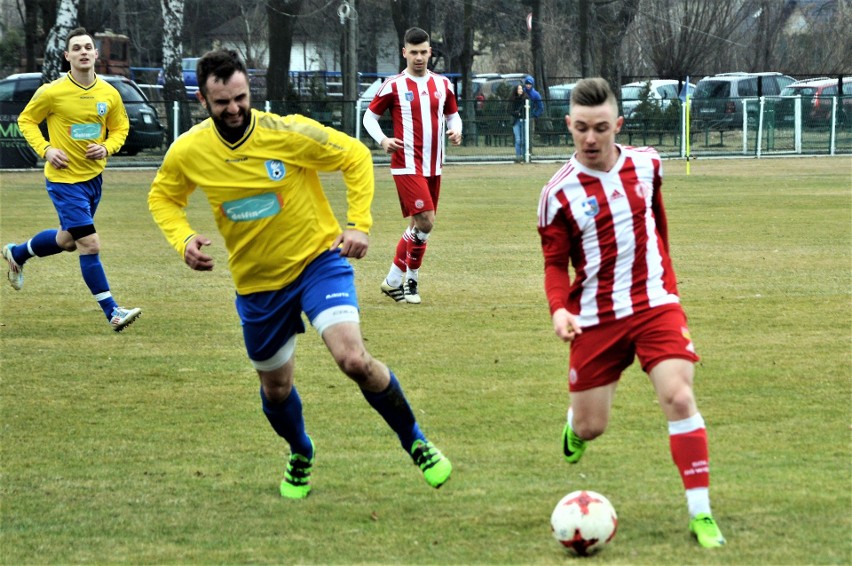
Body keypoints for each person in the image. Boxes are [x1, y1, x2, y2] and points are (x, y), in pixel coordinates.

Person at [148, 49, 452, 499]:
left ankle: (415, 441)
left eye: (240, 97)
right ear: (202, 99)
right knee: (276, 388)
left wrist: (358, 224)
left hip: (317, 263)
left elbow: (353, 155)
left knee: (352, 359)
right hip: (257, 285)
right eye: (221, 103)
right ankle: (300, 450)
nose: (233, 109)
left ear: (250, 88)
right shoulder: (190, 150)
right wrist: (183, 239)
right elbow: (163, 197)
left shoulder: (287, 132)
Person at [536, 78, 726, 548]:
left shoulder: (648, 164)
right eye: (581, 128)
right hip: (595, 316)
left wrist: (669, 289)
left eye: (601, 127)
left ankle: (700, 514)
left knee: (680, 398)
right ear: (569, 125)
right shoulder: (556, 195)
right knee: (590, 426)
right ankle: (575, 428)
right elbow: (555, 265)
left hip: (655, 304)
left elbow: (657, 224)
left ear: (617, 124)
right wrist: (559, 310)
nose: (591, 138)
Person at [5, 27, 141, 332]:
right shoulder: (52, 92)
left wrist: (106, 146)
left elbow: (120, 129)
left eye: (88, 47)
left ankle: (17, 253)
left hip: (93, 180)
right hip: (65, 183)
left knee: (67, 241)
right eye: (76, 48)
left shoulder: (109, 94)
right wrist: (46, 149)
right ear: (67, 56)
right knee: (89, 244)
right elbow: (26, 120)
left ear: (95, 54)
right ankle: (113, 312)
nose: (83, 52)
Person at [362, 27, 462, 305]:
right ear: (404, 53)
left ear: (430, 52)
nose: (419, 57)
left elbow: (453, 116)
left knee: (418, 224)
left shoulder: (443, 84)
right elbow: (369, 117)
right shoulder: (393, 85)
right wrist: (382, 140)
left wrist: (456, 131)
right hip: (405, 164)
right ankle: (411, 281)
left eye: (423, 52)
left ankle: (393, 279)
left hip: (434, 165)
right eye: (413, 52)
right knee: (426, 222)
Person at [522, 75, 544, 153]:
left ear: (532, 84)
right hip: (522, 117)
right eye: (527, 84)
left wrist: (534, 115)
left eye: (529, 84)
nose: (528, 85)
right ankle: (522, 153)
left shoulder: (536, 94)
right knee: (522, 136)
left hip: (530, 118)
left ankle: (529, 152)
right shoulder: (522, 92)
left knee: (530, 135)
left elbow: (541, 107)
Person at [509, 84, 527, 162]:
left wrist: (522, 114)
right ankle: (518, 157)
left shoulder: (525, 99)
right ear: (516, 90)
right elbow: (509, 110)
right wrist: (516, 113)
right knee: (518, 140)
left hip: (523, 120)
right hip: (516, 121)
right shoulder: (513, 100)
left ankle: (524, 156)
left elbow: (527, 109)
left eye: (521, 88)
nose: (521, 90)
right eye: (519, 89)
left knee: (523, 140)